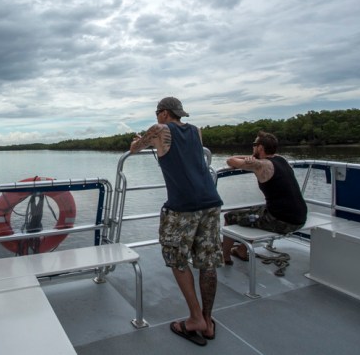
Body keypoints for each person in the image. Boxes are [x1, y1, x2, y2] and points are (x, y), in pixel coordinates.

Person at [130, 97, 222, 346]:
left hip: (183, 206)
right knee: (207, 261)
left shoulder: (159, 129)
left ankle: (195, 319)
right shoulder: (196, 131)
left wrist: (137, 141)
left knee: (177, 259)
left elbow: (134, 149)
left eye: (157, 112)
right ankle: (208, 321)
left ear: (163, 113)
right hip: (211, 202)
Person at [222, 131, 308, 264]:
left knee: (229, 217)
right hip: (300, 216)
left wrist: (252, 158)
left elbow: (230, 160)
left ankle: (225, 256)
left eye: (254, 144)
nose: (253, 147)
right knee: (255, 212)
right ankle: (241, 250)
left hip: (282, 221)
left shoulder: (261, 165)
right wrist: (252, 156)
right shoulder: (281, 159)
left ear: (260, 148)